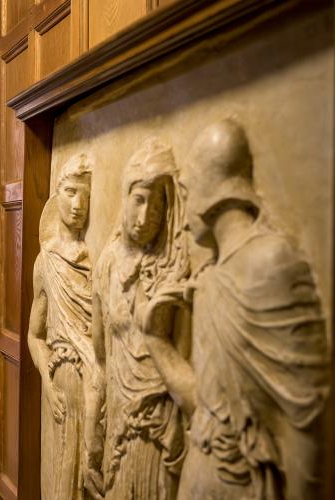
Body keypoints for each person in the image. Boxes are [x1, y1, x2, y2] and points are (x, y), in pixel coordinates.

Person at [143, 119, 330, 499]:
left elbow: (305, 426)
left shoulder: (271, 264)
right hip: (201, 475)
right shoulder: (212, 276)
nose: (180, 225)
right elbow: (208, 409)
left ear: (211, 193)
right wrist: (155, 340)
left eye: (188, 190)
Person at [90, 137, 190, 499]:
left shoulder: (175, 269)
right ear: (124, 196)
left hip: (159, 429)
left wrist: (178, 430)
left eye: (157, 201)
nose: (145, 216)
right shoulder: (108, 264)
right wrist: (92, 432)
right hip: (118, 423)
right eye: (138, 199)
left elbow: (186, 358)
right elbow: (99, 358)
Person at [26, 154, 104, 500]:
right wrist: (46, 380)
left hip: (94, 384)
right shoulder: (46, 263)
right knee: (60, 482)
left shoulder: (94, 261)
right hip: (60, 385)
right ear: (58, 196)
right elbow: (34, 335)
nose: (77, 204)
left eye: (84, 195)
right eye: (71, 192)